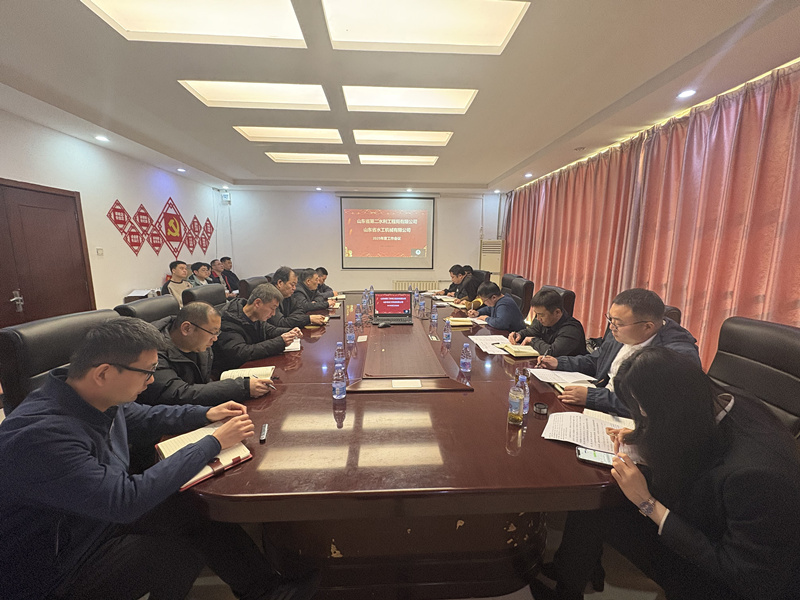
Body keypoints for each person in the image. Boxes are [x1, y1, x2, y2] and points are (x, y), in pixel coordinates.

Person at [0, 318, 317, 600]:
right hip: (59, 566)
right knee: (175, 552)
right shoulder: (43, 436)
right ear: (104, 373)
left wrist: (207, 413)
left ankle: (265, 591)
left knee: (190, 507)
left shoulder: (89, 395)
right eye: (147, 372)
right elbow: (125, 501)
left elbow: (144, 416)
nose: (152, 380)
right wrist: (212, 442)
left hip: (93, 518)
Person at [533, 347, 800, 600]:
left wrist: (647, 503)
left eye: (644, 410)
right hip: (704, 499)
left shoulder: (757, 477)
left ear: (671, 411)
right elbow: (700, 440)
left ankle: (570, 583)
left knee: (601, 504)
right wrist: (641, 435)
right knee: (599, 494)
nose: (641, 416)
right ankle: (577, 574)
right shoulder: (720, 400)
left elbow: (745, 575)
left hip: (719, 572)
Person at [535, 288, 699, 416]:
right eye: (610, 319)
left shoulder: (676, 357)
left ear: (647, 327)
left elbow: (653, 407)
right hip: (602, 402)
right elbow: (596, 360)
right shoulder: (622, 334)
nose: (611, 327)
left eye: (618, 323)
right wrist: (559, 363)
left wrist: (593, 397)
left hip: (632, 424)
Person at [137, 301, 273, 407]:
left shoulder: (200, 344)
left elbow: (203, 382)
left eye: (217, 333)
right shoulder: (152, 352)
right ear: (187, 328)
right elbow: (178, 394)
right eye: (213, 333)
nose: (215, 339)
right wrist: (241, 388)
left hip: (196, 409)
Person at [213, 283, 303, 376]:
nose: (273, 314)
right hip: (234, 373)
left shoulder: (254, 316)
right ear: (257, 303)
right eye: (272, 308)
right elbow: (242, 353)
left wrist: (290, 332)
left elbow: (270, 331)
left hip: (252, 366)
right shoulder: (229, 321)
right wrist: (280, 342)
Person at [509, 288, 586, 357]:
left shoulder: (571, 330)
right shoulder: (543, 320)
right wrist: (519, 335)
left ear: (557, 312)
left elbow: (552, 352)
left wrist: (533, 341)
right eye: (536, 314)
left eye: (541, 315)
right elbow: (531, 331)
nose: (538, 318)